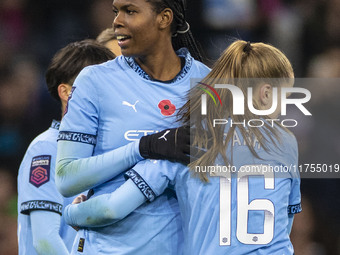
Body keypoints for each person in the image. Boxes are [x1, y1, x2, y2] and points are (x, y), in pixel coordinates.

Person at [64, 40, 302, 254]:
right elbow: (284, 223)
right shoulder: (285, 142)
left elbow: (111, 210)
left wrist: (71, 214)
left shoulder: (186, 143)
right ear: (266, 93)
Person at [56, 0, 210, 254]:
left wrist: (76, 213)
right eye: (116, 11)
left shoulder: (207, 84)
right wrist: (142, 148)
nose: (117, 20)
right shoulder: (95, 81)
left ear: (164, 18)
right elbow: (66, 178)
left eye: (130, 11)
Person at [17, 39, 115, 255]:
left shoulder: (109, 151)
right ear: (66, 92)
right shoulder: (46, 149)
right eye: (96, 85)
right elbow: (45, 241)